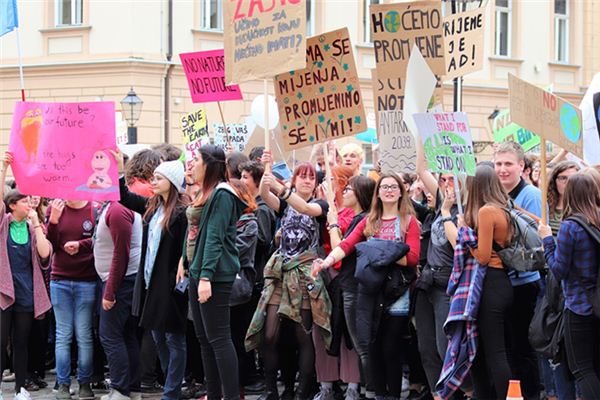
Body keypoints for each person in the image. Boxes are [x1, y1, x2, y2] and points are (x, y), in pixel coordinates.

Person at [313, 172, 420, 400]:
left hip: (397, 292)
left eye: (393, 187)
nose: (389, 190)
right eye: (384, 187)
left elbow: (412, 258)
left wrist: (378, 250)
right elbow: (347, 245)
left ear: (401, 191)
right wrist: (327, 262)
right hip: (371, 291)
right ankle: (380, 395)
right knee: (372, 348)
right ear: (378, 193)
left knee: (391, 349)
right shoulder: (369, 220)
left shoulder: (409, 221)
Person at [245, 160, 332, 400]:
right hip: (281, 273)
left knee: (302, 334)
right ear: (294, 179)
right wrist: (266, 171)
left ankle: (302, 391)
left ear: (316, 184)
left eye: (311, 177)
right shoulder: (285, 206)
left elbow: (305, 209)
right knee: (269, 334)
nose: (306, 180)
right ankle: (272, 389)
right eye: (302, 176)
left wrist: (281, 188)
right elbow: (264, 194)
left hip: (305, 274)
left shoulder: (321, 205)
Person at [115, 151, 190, 400]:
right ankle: (172, 381)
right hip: (150, 284)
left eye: (159, 178)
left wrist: (173, 278)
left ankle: (171, 390)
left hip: (169, 285)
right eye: (153, 178)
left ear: (172, 181)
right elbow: (123, 197)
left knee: (173, 338)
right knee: (158, 336)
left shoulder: (181, 213)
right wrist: (119, 168)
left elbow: (185, 250)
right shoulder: (152, 206)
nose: (153, 182)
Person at [181, 145, 246, 400]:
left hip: (214, 275)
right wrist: (185, 265)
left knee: (218, 338)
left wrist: (206, 277)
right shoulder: (206, 192)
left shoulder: (222, 194)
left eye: (195, 159)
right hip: (198, 271)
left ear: (209, 164)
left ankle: (230, 396)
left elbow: (215, 238)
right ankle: (214, 393)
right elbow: (195, 233)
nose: (191, 163)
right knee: (204, 338)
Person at [66, 195, 144, 400]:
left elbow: (121, 253)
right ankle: (130, 389)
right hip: (116, 280)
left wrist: (110, 292)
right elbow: (103, 241)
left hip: (119, 282)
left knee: (110, 335)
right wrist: (82, 245)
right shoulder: (110, 208)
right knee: (126, 335)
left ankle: (120, 389)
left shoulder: (118, 210)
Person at [539, 173, 600, 399]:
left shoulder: (570, 227)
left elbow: (559, 270)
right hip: (597, 303)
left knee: (581, 368)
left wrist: (547, 240)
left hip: (578, 306)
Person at [0, 152, 52, 395]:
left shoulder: (33, 228)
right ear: (12, 205)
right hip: (4, 290)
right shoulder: (4, 222)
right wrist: (4, 168)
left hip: (27, 291)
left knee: (21, 343)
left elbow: (44, 254)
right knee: (1, 343)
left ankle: (21, 388)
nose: (29, 204)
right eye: (25, 201)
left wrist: (37, 224)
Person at [320, 175, 376, 400]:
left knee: (362, 345)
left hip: (355, 287)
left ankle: (371, 391)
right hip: (351, 285)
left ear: (361, 193)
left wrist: (333, 221)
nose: (345, 192)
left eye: (350, 189)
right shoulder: (360, 218)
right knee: (361, 344)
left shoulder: (364, 219)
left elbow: (340, 247)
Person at [494, 141, 542, 399]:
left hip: (524, 281)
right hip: (500, 282)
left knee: (522, 348)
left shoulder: (531, 196)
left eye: (508, 164)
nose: (502, 170)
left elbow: (533, 242)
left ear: (521, 166)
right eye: (498, 164)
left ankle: (532, 394)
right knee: (506, 347)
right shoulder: (494, 193)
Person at [462, 165, 514, 399]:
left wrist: (465, 235)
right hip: (502, 282)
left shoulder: (485, 212)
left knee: (494, 352)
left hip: (490, 283)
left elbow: (482, 256)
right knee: (491, 350)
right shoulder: (504, 208)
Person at [46, 197, 99, 400]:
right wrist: (53, 220)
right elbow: (50, 244)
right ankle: (63, 384)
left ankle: (85, 383)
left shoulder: (94, 209)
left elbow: (99, 239)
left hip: (86, 280)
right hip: (60, 280)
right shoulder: (55, 207)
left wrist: (81, 245)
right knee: (63, 335)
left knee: (84, 335)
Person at [227, 179, 259, 396]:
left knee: (238, 339)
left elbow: (234, 251)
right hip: (220, 289)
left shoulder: (249, 223)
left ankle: (242, 382)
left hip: (238, 290)